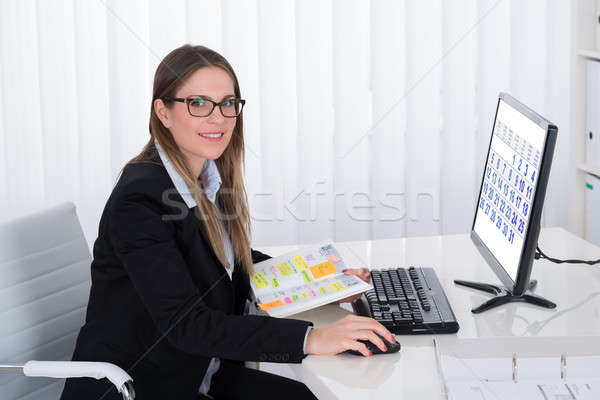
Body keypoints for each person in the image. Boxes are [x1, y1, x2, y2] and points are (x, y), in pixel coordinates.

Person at [60, 44, 395, 400]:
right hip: (145, 386)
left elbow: (225, 263)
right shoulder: (139, 200)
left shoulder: (205, 176)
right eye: (198, 104)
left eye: (228, 103)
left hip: (200, 371)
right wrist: (311, 338)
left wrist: (326, 280)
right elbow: (186, 324)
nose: (218, 118)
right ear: (163, 111)